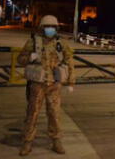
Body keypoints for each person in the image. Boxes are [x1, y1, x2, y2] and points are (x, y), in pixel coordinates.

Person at [17, 15, 75, 156]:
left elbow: (70, 62)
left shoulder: (62, 44)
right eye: (47, 27)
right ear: (42, 28)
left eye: (53, 27)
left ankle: (56, 141)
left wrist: (71, 82)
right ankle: (27, 142)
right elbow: (20, 59)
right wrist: (29, 58)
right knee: (32, 114)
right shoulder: (33, 42)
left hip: (54, 85)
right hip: (37, 85)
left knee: (54, 114)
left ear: (56, 28)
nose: (50, 29)